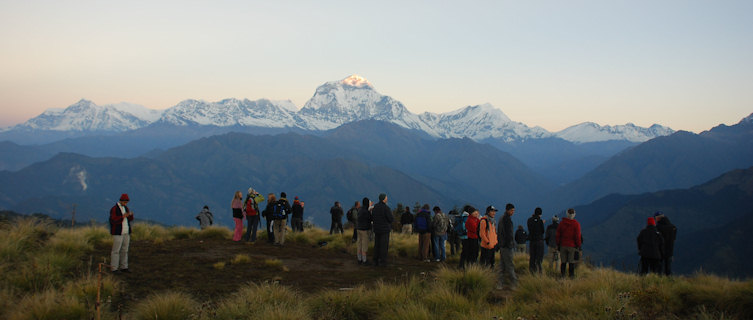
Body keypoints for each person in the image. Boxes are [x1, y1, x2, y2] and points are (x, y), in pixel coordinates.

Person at [110, 193, 134, 273]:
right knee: (116, 250)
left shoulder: (126, 208)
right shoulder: (114, 209)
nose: (125, 203)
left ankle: (124, 267)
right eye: (125, 202)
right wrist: (122, 217)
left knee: (125, 250)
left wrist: (130, 215)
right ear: (121, 200)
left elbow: (129, 219)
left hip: (126, 232)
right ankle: (114, 268)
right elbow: (113, 220)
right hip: (118, 233)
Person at [556, 208, 582, 278]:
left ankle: (562, 276)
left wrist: (558, 244)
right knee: (571, 262)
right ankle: (571, 276)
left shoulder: (561, 223)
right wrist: (579, 245)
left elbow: (558, 235)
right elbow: (577, 236)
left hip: (563, 245)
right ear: (574, 215)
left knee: (563, 262)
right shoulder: (576, 224)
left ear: (567, 214)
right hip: (572, 246)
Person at [497, 203, 517, 289]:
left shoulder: (502, 218)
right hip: (507, 246)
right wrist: (510, 244)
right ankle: (513, 283)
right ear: (508, 210)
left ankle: (500, 283)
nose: (513, 212)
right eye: (512, 210)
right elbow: (508, 234)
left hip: (502, 245)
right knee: (509, 264)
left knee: (502, 265)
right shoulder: (507, 219)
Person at [371, 193, 393, 266]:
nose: (387, 199)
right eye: (386, 198)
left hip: (376, 229)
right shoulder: (386, 208)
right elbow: (390, 219)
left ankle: (375, 260)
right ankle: (383, 262)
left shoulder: (375, 207)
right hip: (384, 230)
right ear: (384, 199)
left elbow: (372, 217)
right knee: (383, 246)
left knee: (377, 245)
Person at [654, 211, 677, 276]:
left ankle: (659, 281)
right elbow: (674, 239)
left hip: (660, 250)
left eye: (655, 218)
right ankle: (669, 280)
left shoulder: (658, 227)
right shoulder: (673, 227)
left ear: (658, 218)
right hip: (670, 250)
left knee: (659, 268)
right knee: (668, 268)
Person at [527, 207, 546, 274]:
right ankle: (539, 272)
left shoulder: (529, 220)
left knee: (532, 257)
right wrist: (541, 223)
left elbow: (530, 228)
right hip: (539, 241)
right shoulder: (540, 221)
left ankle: (532, 271)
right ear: (540, 214)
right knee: (539, 258)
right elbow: (542, 231)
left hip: (532, 241)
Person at [356, 197, 372, 265]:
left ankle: (359, 259)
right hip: (364, 230)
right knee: (364, 246)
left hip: (358, 229)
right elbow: (371, 219)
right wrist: (370, 209)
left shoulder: (360, 209)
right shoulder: (366, 211)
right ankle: (364, 261)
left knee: (359, 244)